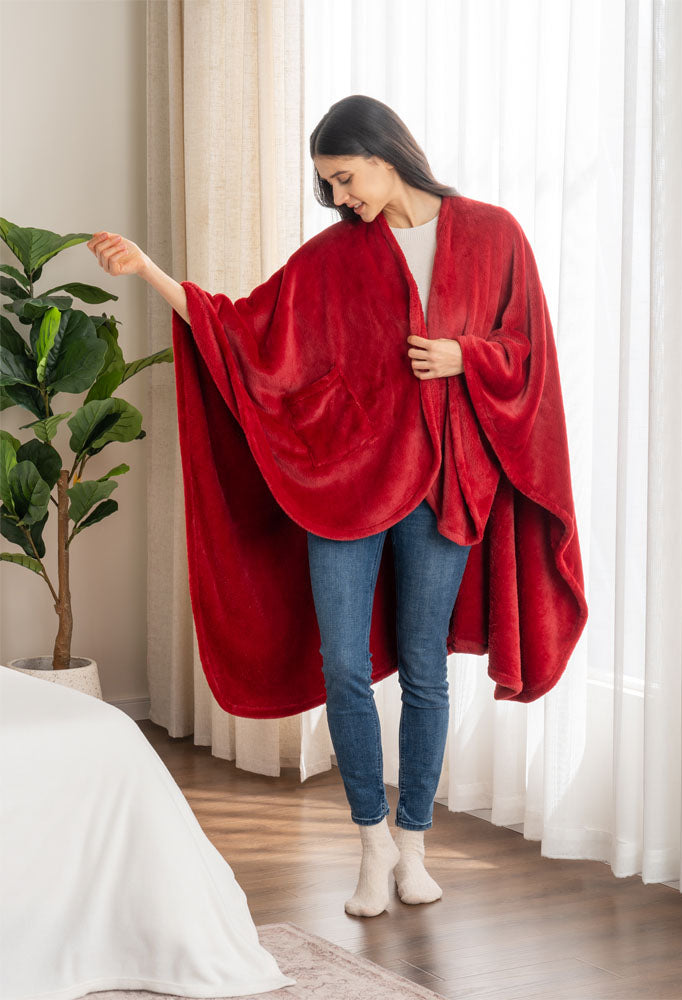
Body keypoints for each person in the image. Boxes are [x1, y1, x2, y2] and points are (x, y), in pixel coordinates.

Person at [87, 95, 584, 921]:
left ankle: (414, 842)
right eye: (330, 187)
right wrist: (148, 272)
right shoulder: (334, 257)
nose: (342, 198)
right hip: (344, 487)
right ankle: (370, 843)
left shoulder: (494, 236)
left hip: (445, 488)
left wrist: (467, 355)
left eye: (346, 179)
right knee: (344, 668)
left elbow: (531, 352)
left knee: (425, 673)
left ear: (386, 154)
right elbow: (243, 328)